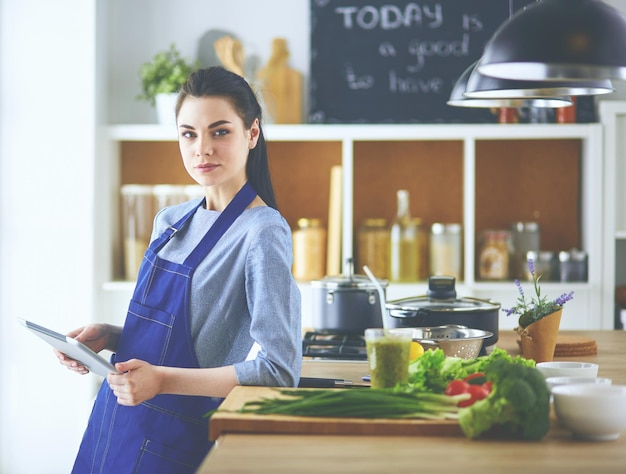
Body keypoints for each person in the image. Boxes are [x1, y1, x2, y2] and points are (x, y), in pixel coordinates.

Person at [56, 66, 302, 473]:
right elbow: (179, 338)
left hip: (173, 438)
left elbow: (278, 370)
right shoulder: (171, 220)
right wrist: (111, 337)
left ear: (252, 134)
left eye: (219, 131)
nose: (202, 149)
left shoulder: (262, 232)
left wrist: (162, 381)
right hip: (113, 420)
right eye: (189, 133)